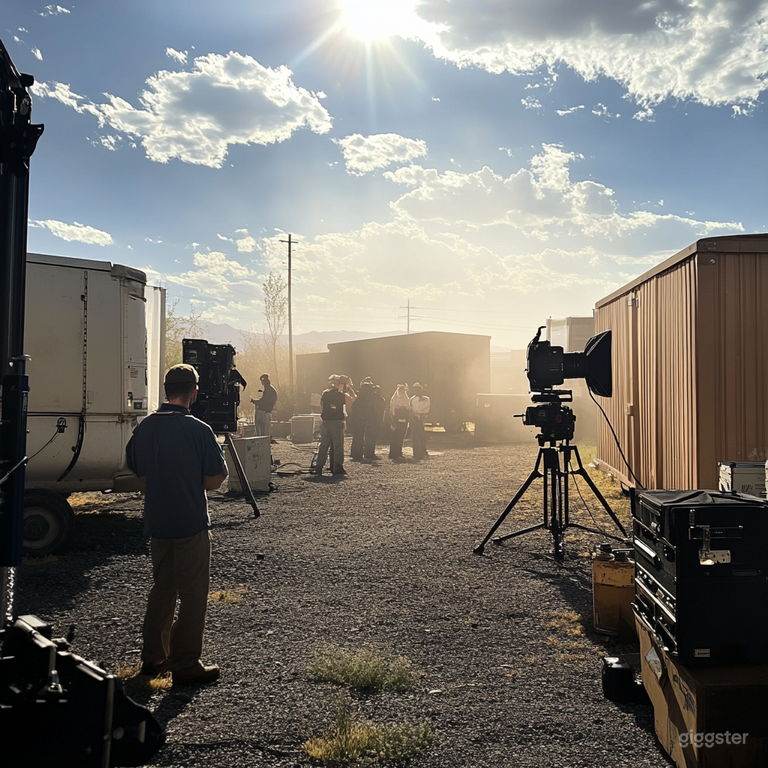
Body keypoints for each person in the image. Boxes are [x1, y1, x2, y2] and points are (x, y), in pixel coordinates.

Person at [126, 363, 228, 686]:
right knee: (193, 594)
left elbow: (139, 473)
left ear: (167, 391)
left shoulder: (145, 428)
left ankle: (153, 658)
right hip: (190, 523)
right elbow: (214, 480)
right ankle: (185, 663)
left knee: (162, 590)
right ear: (193, 392)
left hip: (158, 524)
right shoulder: (199, 430)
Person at [315, 374, 356, 475]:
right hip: (337, 422)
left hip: (325, 422)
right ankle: (337, 468)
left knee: (324, 445)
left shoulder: (325, 394)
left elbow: (321, 405)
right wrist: (350, 388)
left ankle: (319, 467)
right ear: (339, 385)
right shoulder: (341, 395)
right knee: (338, 446)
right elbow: (352, 400)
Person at [350, 379, 374, 461]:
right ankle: (358, 453)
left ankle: (355, 453)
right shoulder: (366, 398)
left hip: (358, 418)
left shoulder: (359, 396)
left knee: (357, 435)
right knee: (360, 435)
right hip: (362, 418)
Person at [409, 382, 431, 460]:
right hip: (414, 417)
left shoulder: (426, 399)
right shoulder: (412, 399)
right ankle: (416, 452)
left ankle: (423, 450)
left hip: (421, 417)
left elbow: (426, 408)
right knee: (415, 436)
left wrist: (423, 416)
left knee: (422, 435)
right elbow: (410, 408)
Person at [389, 384, 410, 460]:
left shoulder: (406, 399)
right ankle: (393, 453)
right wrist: (393, 420)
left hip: (404, 419)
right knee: (395, 436)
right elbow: (392, 409)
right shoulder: (394, 399)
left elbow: (408, 408)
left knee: (401, 436)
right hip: (396, 419)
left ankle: (399, 452)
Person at [366, 384, 387, 460]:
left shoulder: (378, 399)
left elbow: (382, 410)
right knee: (371, 437)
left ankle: (369, 452)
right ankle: (368, 453)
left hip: (376, 419)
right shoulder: (374, 399)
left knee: (372, 436)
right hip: (373, 420)